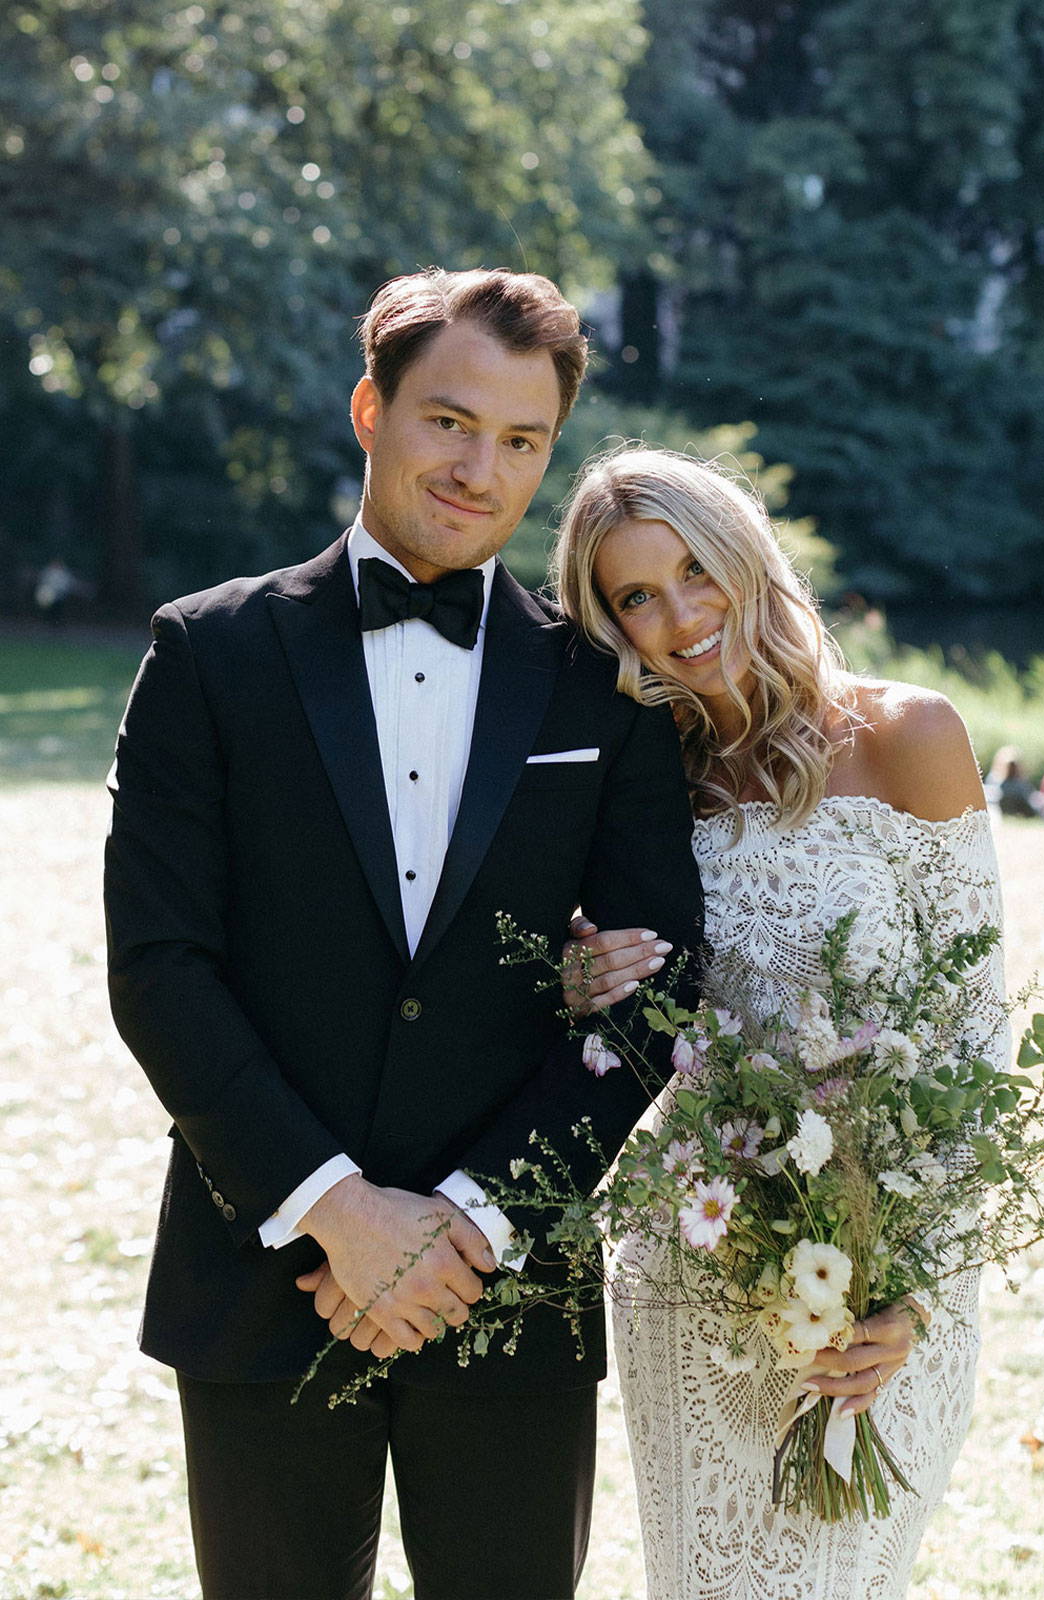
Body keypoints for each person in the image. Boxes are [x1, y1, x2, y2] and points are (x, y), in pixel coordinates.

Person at [104, 273, 704, 1600]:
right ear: (371, 410)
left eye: (519, 440)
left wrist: (473, 1224)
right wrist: (333, 1208)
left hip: (512, 1292)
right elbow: (159, 966)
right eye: (447, 418)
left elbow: (659, 991)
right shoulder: (207, 654)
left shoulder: (600, 686)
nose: (476, 465)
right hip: (263, 1273)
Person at [551, 447, 1008, 1600]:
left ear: (748, 558)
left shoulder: (910, 738)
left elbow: (973, 1043)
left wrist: (905, 1284)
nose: (679, 617)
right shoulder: (634, 777)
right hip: (693, 1256)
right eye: (635, 597)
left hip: (890, 1277)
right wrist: (573, 980)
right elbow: (604, 1014)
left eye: (694, 571)